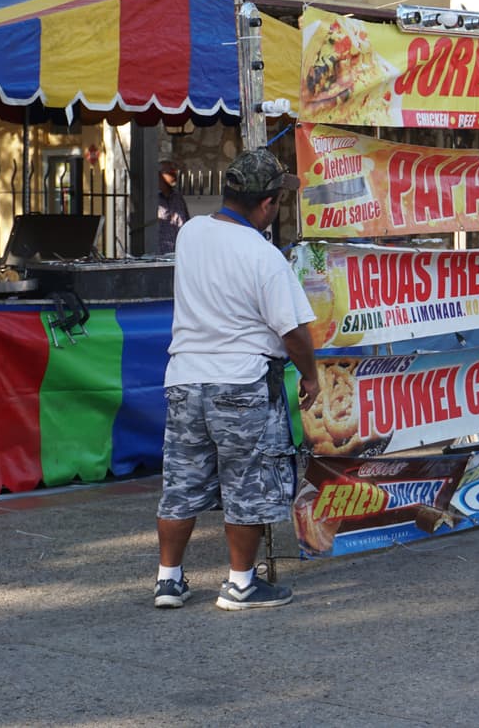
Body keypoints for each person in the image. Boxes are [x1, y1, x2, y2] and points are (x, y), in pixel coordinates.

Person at [154, 147, 320, 611]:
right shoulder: (264, 257)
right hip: (242, 382)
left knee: (182, 482)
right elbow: (294, 333)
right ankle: (241, 584)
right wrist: (310, 378)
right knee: (247, 484)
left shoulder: (191, 234)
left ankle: (169, 580)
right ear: (267, 205)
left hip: (185, 379)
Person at [157, 158, 191, 255]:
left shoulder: (178, 197)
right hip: (158, 256)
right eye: (171, 172)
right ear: (160, 175)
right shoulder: (152, 200)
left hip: (179, 254)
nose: (175, 176)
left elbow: (186, 222)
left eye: (175, 172)